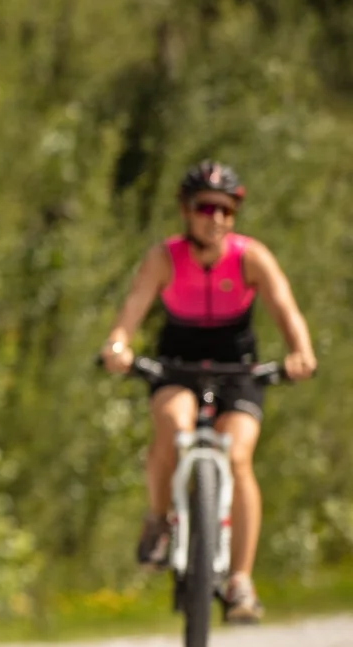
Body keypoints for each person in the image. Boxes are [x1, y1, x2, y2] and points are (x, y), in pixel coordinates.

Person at [98, 160, 317, 623]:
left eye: (226, 210)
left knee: (237, 456)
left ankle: (239, 579)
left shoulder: (250, 257)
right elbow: (132, 309)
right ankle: (158, 521)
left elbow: (285, 308)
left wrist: (301, 351)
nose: (215, 218)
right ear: (186, 209)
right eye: (204, 208)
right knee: (172, 425)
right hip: (176, 367)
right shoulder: (164, 257)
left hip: (239, 371)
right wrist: (118, 345)